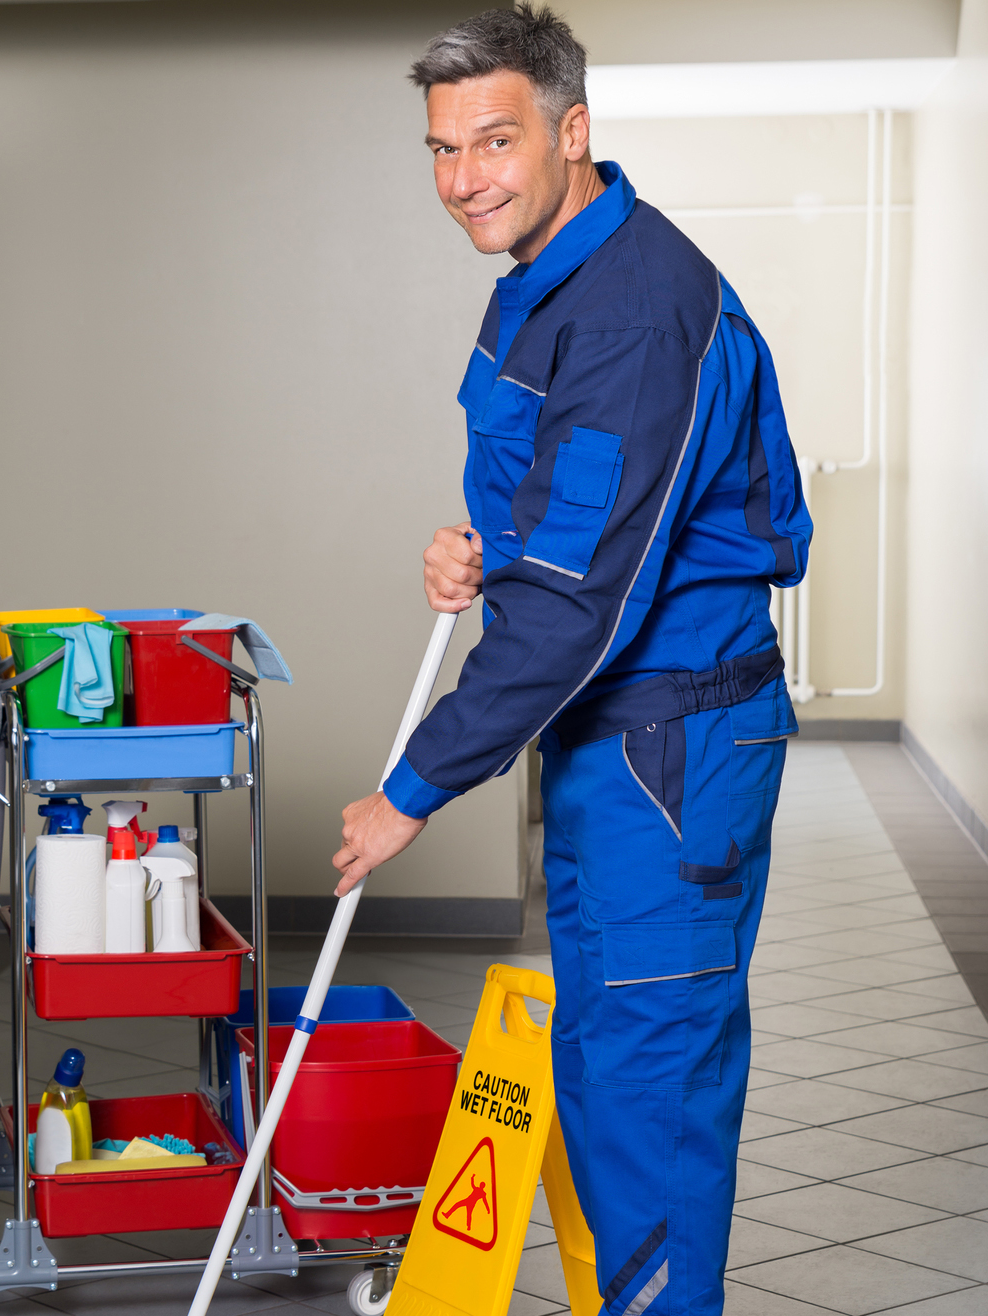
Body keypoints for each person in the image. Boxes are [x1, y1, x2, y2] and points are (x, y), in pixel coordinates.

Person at [331, 9, 812, 1314]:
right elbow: (560, 519)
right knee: (608, 1073)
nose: (463, 177)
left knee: (650, 1101)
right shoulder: (545, 280)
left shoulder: (630, 313)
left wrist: (412, 789)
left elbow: (582, 605)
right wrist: (479, 545)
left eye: (494, 140)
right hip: (617, 743)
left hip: (670, 745)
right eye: (441, 149)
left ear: (572, 130)